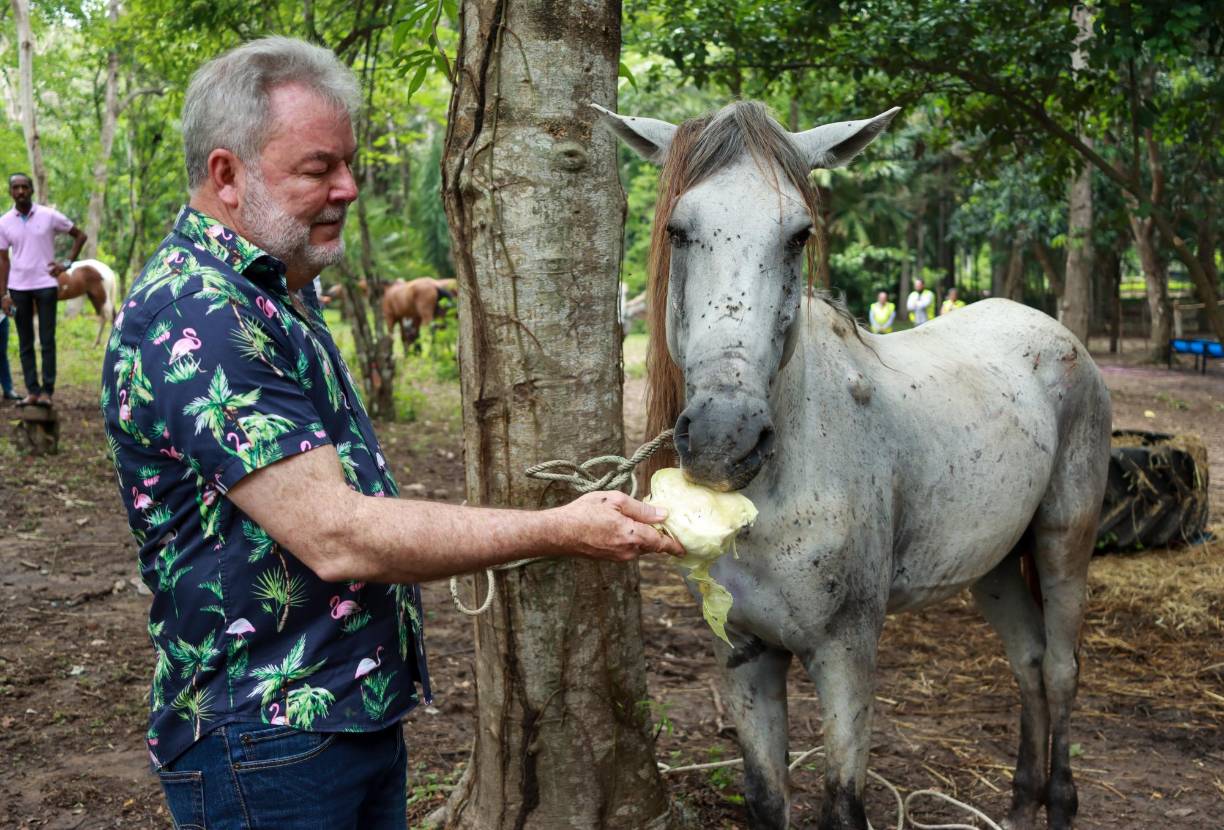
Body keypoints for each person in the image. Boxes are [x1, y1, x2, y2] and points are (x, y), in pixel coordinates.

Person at [101, 37, 684, 830]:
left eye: (348, 164)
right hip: (266, 737)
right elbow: (338, 534)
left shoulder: (269, 291)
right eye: (317, 168)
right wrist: (561, 529)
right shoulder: (199, 313)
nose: (347, 188)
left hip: (337, 716)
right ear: (226, 174)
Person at [0, 173, 87, 406]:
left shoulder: (49, 216)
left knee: (47, 341)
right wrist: (3, 295)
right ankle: (32, 391)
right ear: (10, 192)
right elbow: (3, 261)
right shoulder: (4, 222)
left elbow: (80, 235)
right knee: (25, 342)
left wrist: (66, 263)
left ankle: (47, 392)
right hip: (18, 289)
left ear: (31, 190)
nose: (20, 191)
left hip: (47, 286)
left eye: (24, 187)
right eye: (16, 187)